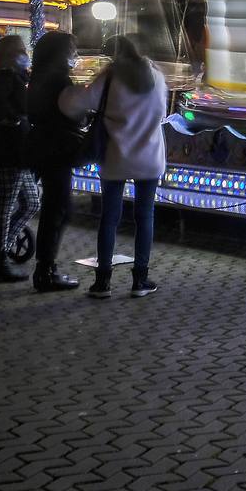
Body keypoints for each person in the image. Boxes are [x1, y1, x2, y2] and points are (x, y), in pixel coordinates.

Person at [65, 35, 166, 298]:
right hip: (149, 156)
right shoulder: (156, 77)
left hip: (115, 156)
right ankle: (140, 280)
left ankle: (103, 282)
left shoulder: (109, 77)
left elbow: (76, 103)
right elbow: (161, 112)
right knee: (145, 217)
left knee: (109, 218)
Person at [24, 32, 83, 292]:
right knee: (59, 208)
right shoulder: (59, 80)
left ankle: (45, 267)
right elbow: (71, 115)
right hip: (57, 148)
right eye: (72, 50)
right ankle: (46, 270)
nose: (75, 55)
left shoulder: (38, 77)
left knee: (54, 207)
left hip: (40, 145)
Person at [0, 34, 39, 283]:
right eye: (22, 51)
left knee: (32, 203)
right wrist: (13, 118)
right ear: (12, 55)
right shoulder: (3, 77)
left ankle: (3, 247)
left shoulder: (9, 77)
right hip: (8, 150)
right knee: (6, 204)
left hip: (16, 151)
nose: (26, 55)